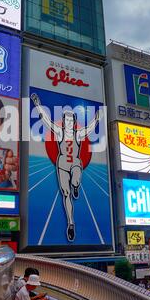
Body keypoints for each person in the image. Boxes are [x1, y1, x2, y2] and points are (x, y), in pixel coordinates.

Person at [31, 93, 102, 242]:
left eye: (71, 120)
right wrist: (37, 105)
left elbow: (90, 128)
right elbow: (46, 121)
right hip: (62, 163)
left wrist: (97, 117)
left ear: (74, 121)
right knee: (65, 193)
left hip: (75, 162)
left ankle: (76, 185)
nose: (69, 122)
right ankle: (71, 223)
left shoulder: (78, 134)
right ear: (64, 121)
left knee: (75, 181)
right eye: (67, 120)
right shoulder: (59, 132)